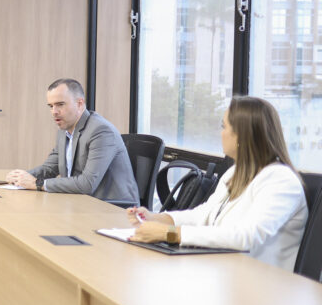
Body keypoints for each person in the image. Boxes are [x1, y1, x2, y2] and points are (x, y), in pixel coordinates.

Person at [127, 96, 307, 271]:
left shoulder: (281, 181)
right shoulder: (236, 172)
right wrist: (158, 219)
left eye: (224, 126)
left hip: (260, 282)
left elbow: (246, 236)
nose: (220, 133)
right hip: (225, 269)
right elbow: (205, 214)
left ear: (242, 136)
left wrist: (169, 233)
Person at [6, 78, 139, 205]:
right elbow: (49, 169)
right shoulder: (64, 130)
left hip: (111, 208)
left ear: (79, 104)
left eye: (60, 104)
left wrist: (37, 184)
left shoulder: (101, 131)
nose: (54, 112)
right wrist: (22, 177)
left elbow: (87, 184)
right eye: (51, 106)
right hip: (79, 202)